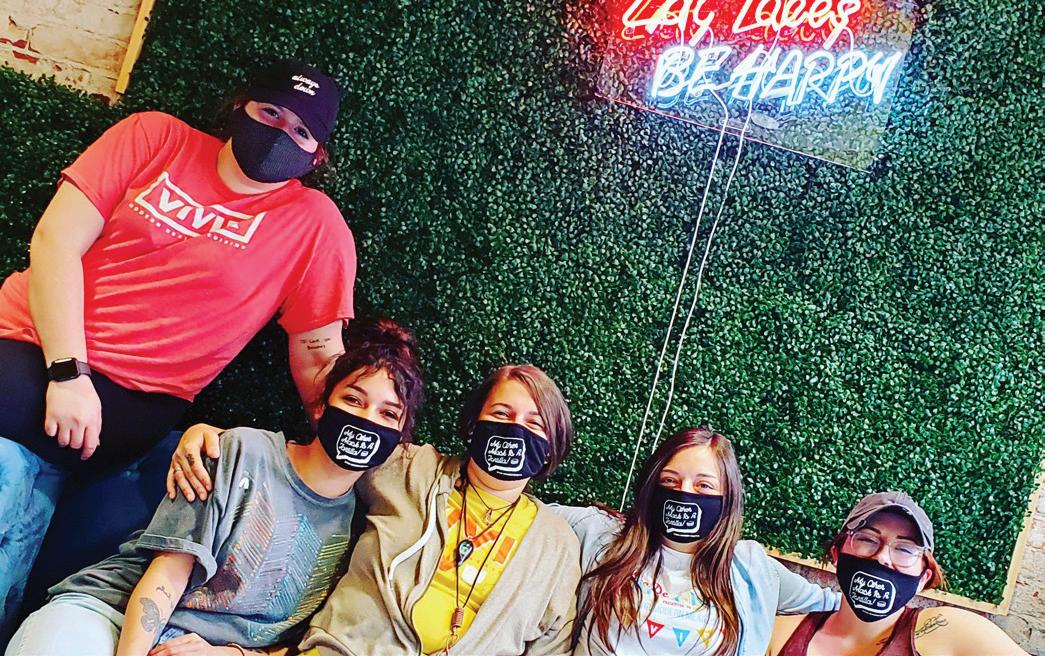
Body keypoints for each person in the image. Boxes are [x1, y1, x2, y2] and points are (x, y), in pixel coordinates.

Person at [0, 59, 356, 628]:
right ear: (240, 105)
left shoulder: (315, 226)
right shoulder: (154, 136)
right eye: (271, 112)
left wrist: (361, 436)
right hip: (30, 344)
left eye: (301, 131)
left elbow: (318, 357)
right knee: (11, 474)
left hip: (134, 400)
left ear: (317, 156)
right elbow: (55, 241)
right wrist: (68, 373)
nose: (279, 134)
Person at [5, 318, 423, 656]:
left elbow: (297, 642)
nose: (367, 419)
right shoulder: (241, 451)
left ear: (401, 438)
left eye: (388, 414)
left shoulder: (359, 529)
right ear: (322, 403)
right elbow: (167, 575)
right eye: (353, 399)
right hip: (110, 615)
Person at [295, 364, 581, 655]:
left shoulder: (557, 545)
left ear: (551, 447)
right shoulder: (410, 468)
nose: (515, 428)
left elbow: (553, 645)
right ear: (473, 425)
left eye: (534, 423)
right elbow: (337, 431)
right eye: (500, 414)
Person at [552, 427, 839, 655]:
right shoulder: (601, 534)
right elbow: (530, 512)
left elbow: (833, 603)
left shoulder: (751, 568)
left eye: (703, 485)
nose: (685, 493)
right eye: (670, 481)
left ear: (728, 498)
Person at [769, 491, 1028, 656]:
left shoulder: (951, 630)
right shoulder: (780, 633)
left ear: (924, 578)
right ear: (837, 554)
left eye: (905, 549)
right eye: (867, 539)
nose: (882, 556)